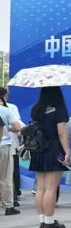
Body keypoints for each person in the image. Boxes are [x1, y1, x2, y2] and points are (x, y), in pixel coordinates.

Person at [28, 86, 70, 228]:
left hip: (38, 150)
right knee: (51, 188)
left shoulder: (36, 109)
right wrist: (67, 151)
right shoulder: (59, 109)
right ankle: (49, 222)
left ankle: (43, 220)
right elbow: (62, 133)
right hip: (54, 149)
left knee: (41, 188)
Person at [0, 87, 23, 215]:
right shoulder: (6, 110)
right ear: (4, 96)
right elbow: (17, 127)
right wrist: (7, 128)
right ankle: (8, 206)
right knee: (6, 177)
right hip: (4, 146)